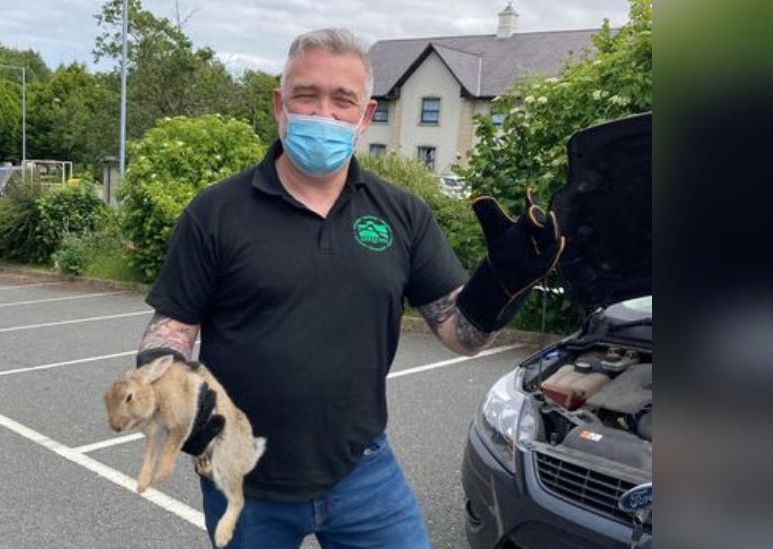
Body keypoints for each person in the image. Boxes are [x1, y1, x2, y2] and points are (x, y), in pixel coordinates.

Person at [133, 28, 564, 549]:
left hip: (365, 475)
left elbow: (459, 334)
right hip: (244, 476)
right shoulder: (216, 213)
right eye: (306, 95)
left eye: (343, 101)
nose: (324, 113)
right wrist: (170, 388)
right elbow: (171, 330)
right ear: (279, 104)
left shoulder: (402, 213)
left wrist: (501, 283)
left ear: (366, 115)